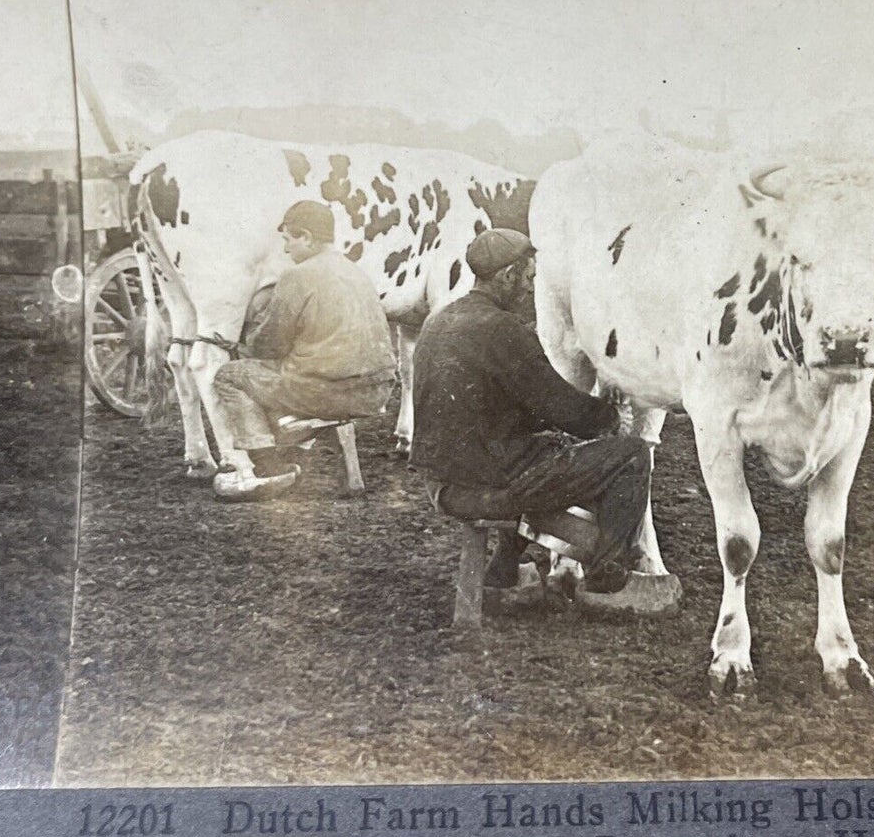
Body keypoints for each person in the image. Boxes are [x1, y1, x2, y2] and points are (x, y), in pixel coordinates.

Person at [410, 227, 656, 613]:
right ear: (507, 276)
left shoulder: (440, 320)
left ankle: (502, 575)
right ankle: (609, 582)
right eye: (527, 279)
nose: (529, 290)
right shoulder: (502, 330)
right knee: (631, 455)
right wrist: (611, 414)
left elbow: (498, 405)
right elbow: (565, 411)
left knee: (534, 455)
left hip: (442, 482)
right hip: (483, 486)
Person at [211, 200, 395, 502]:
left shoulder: (297, 276)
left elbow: (268, 345)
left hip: (325, 392)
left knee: (231, 376)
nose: (285, 250)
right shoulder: (357, 272)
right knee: (290, 369)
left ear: (307, 237)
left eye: (288, 240)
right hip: (377, 391)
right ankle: (294, 443)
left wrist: (240, 341)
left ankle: (264, 466)